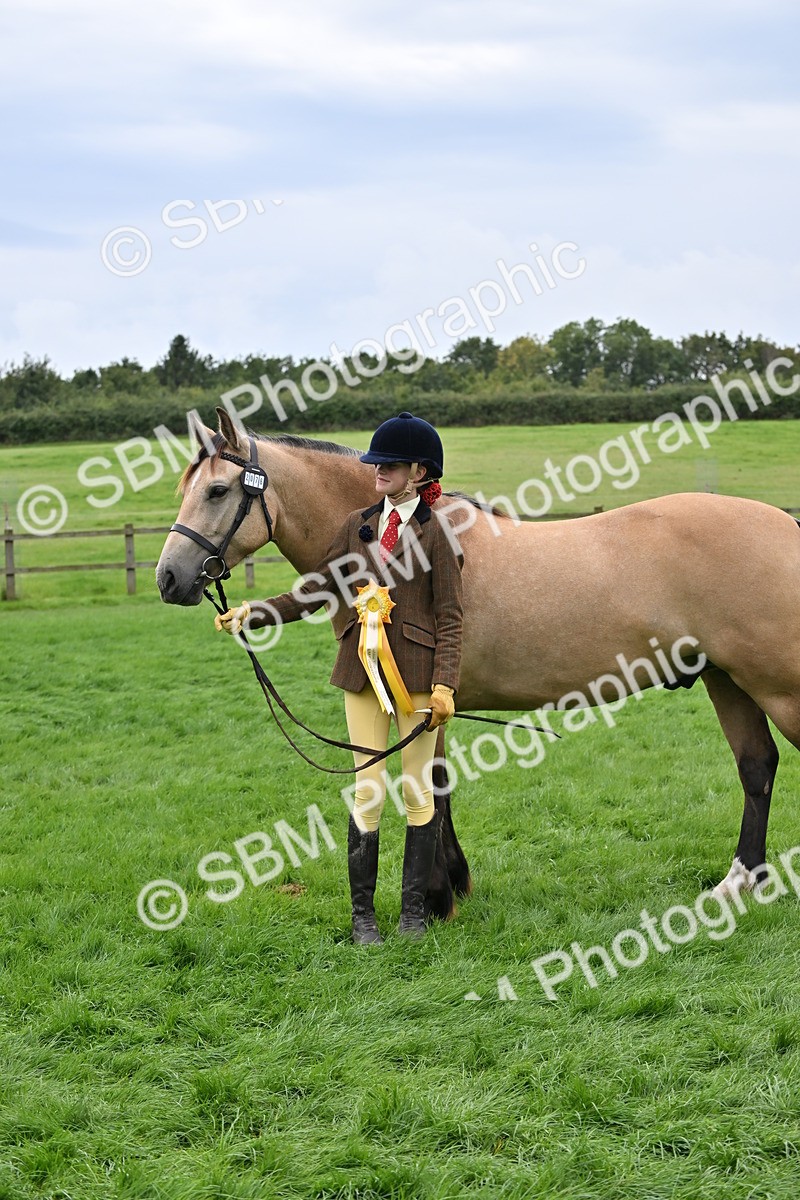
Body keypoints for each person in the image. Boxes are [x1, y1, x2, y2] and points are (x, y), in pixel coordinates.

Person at [215, 412, 463, 944]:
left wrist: (445, 684)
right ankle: (363, 919)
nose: (376, 471)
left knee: (419, 795)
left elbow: (451, 617)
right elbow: (315, 590)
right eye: (375, 462)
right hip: (361, 673)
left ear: (418, 472)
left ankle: (414, 915)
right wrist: (256, 611)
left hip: (418, 678)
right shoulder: (356, 526)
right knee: (368, 792)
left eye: (388, 465)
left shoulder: (438, 532)